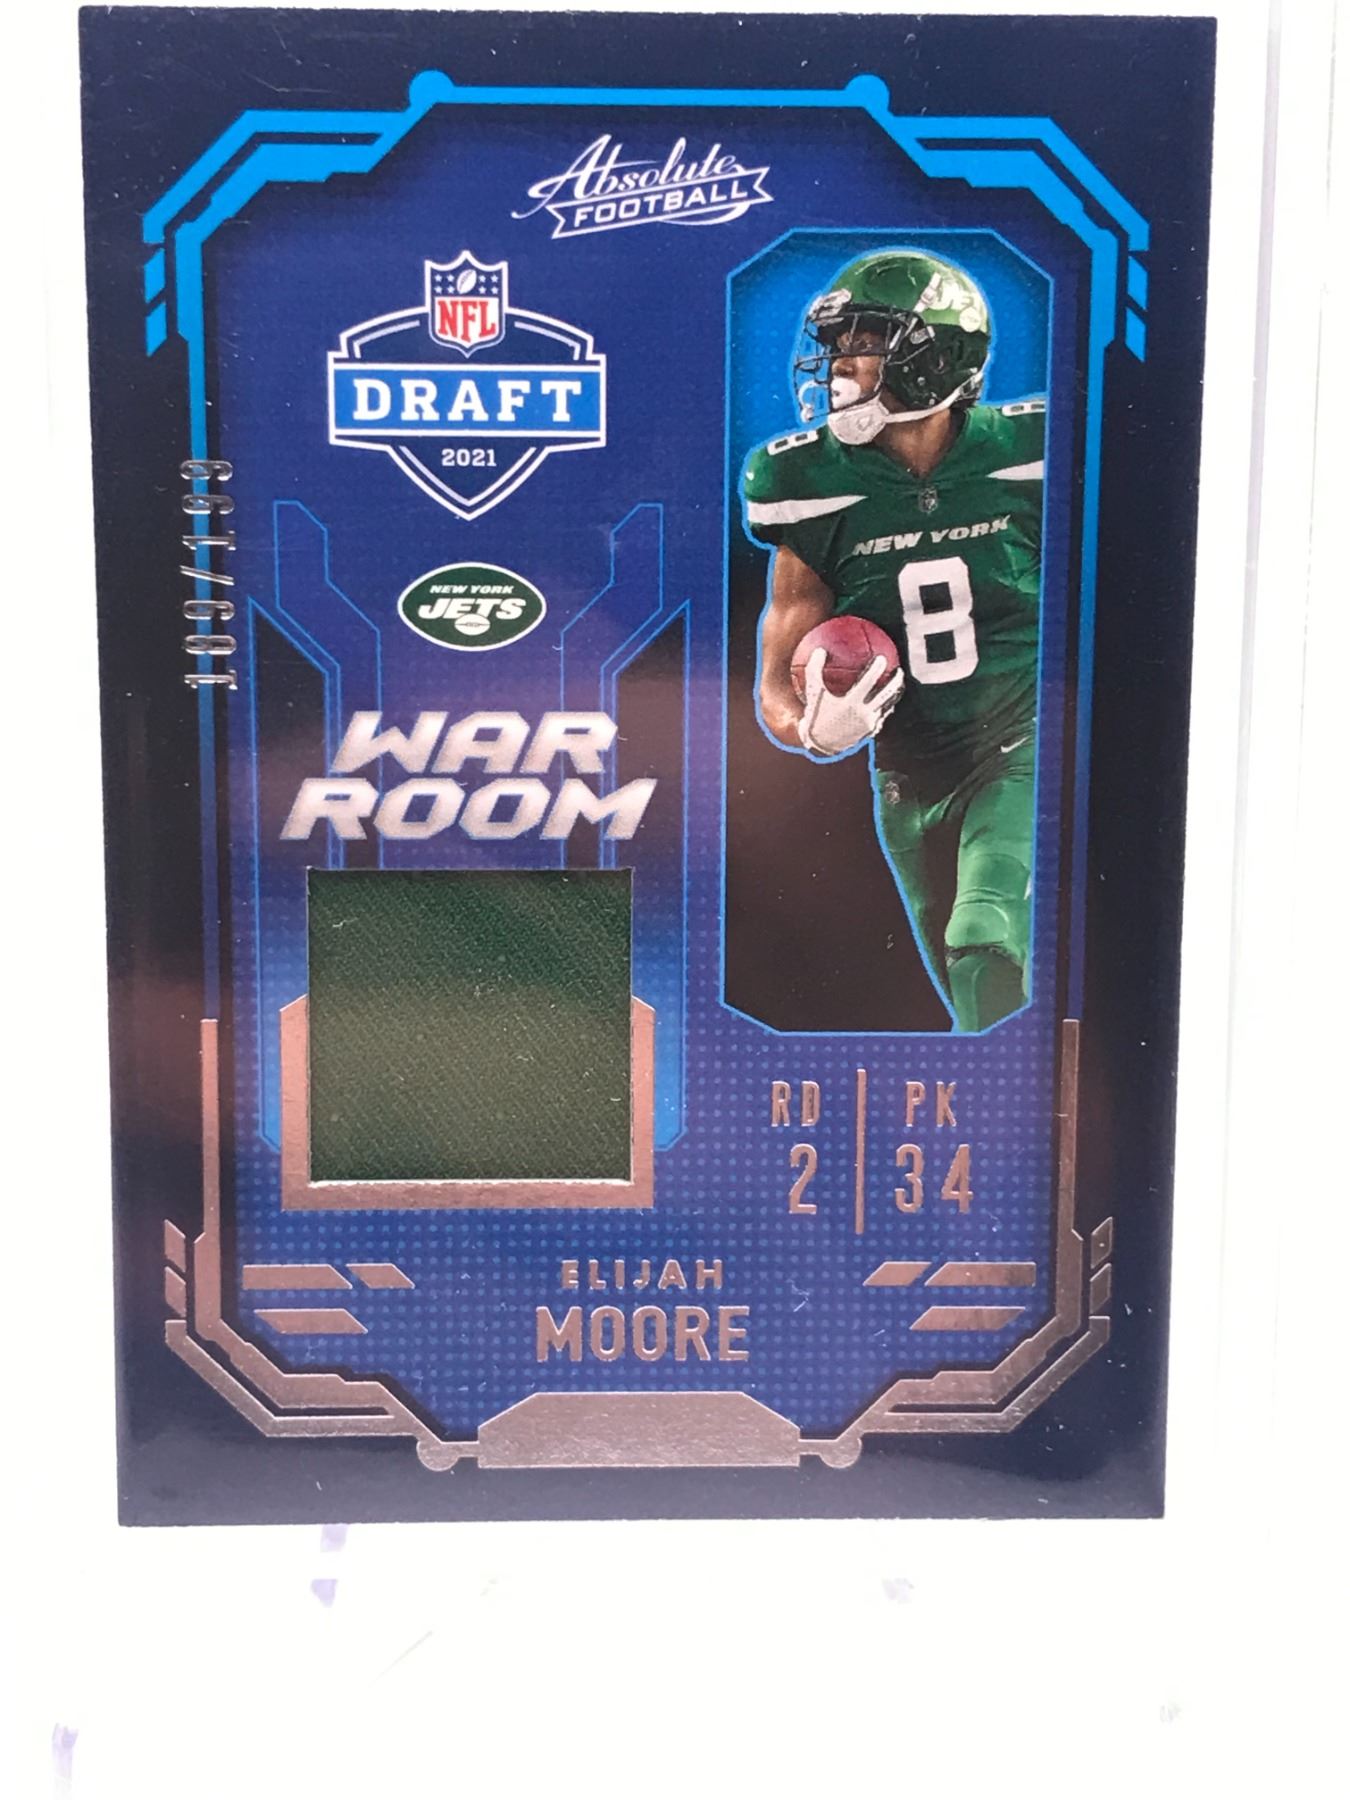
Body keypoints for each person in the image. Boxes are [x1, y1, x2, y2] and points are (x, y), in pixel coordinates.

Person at [742, 248, 1045, 1032]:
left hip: (1018, 744)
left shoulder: (1036, 452)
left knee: (983, 938)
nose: (841, 365)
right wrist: (813, 730)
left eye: (866, 342)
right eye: (837, 346)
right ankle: (1010, 1098)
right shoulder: (806, 482)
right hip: (906, 777)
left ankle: (1028, 1100)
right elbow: (776, 680)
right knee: (968, 994)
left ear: (939, 355)